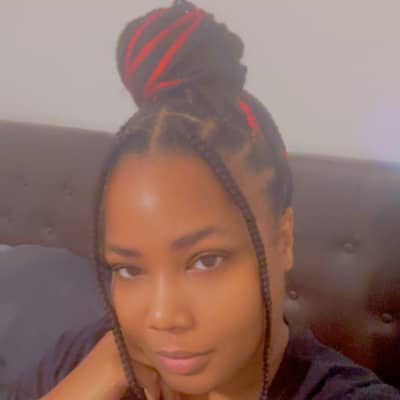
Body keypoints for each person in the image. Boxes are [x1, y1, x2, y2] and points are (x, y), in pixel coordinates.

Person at [4, 1, 400, 399]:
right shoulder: (86, 357)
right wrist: (92, 379)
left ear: (283, 240)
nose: (162, 317)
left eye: (206, 260)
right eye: (128, 269)